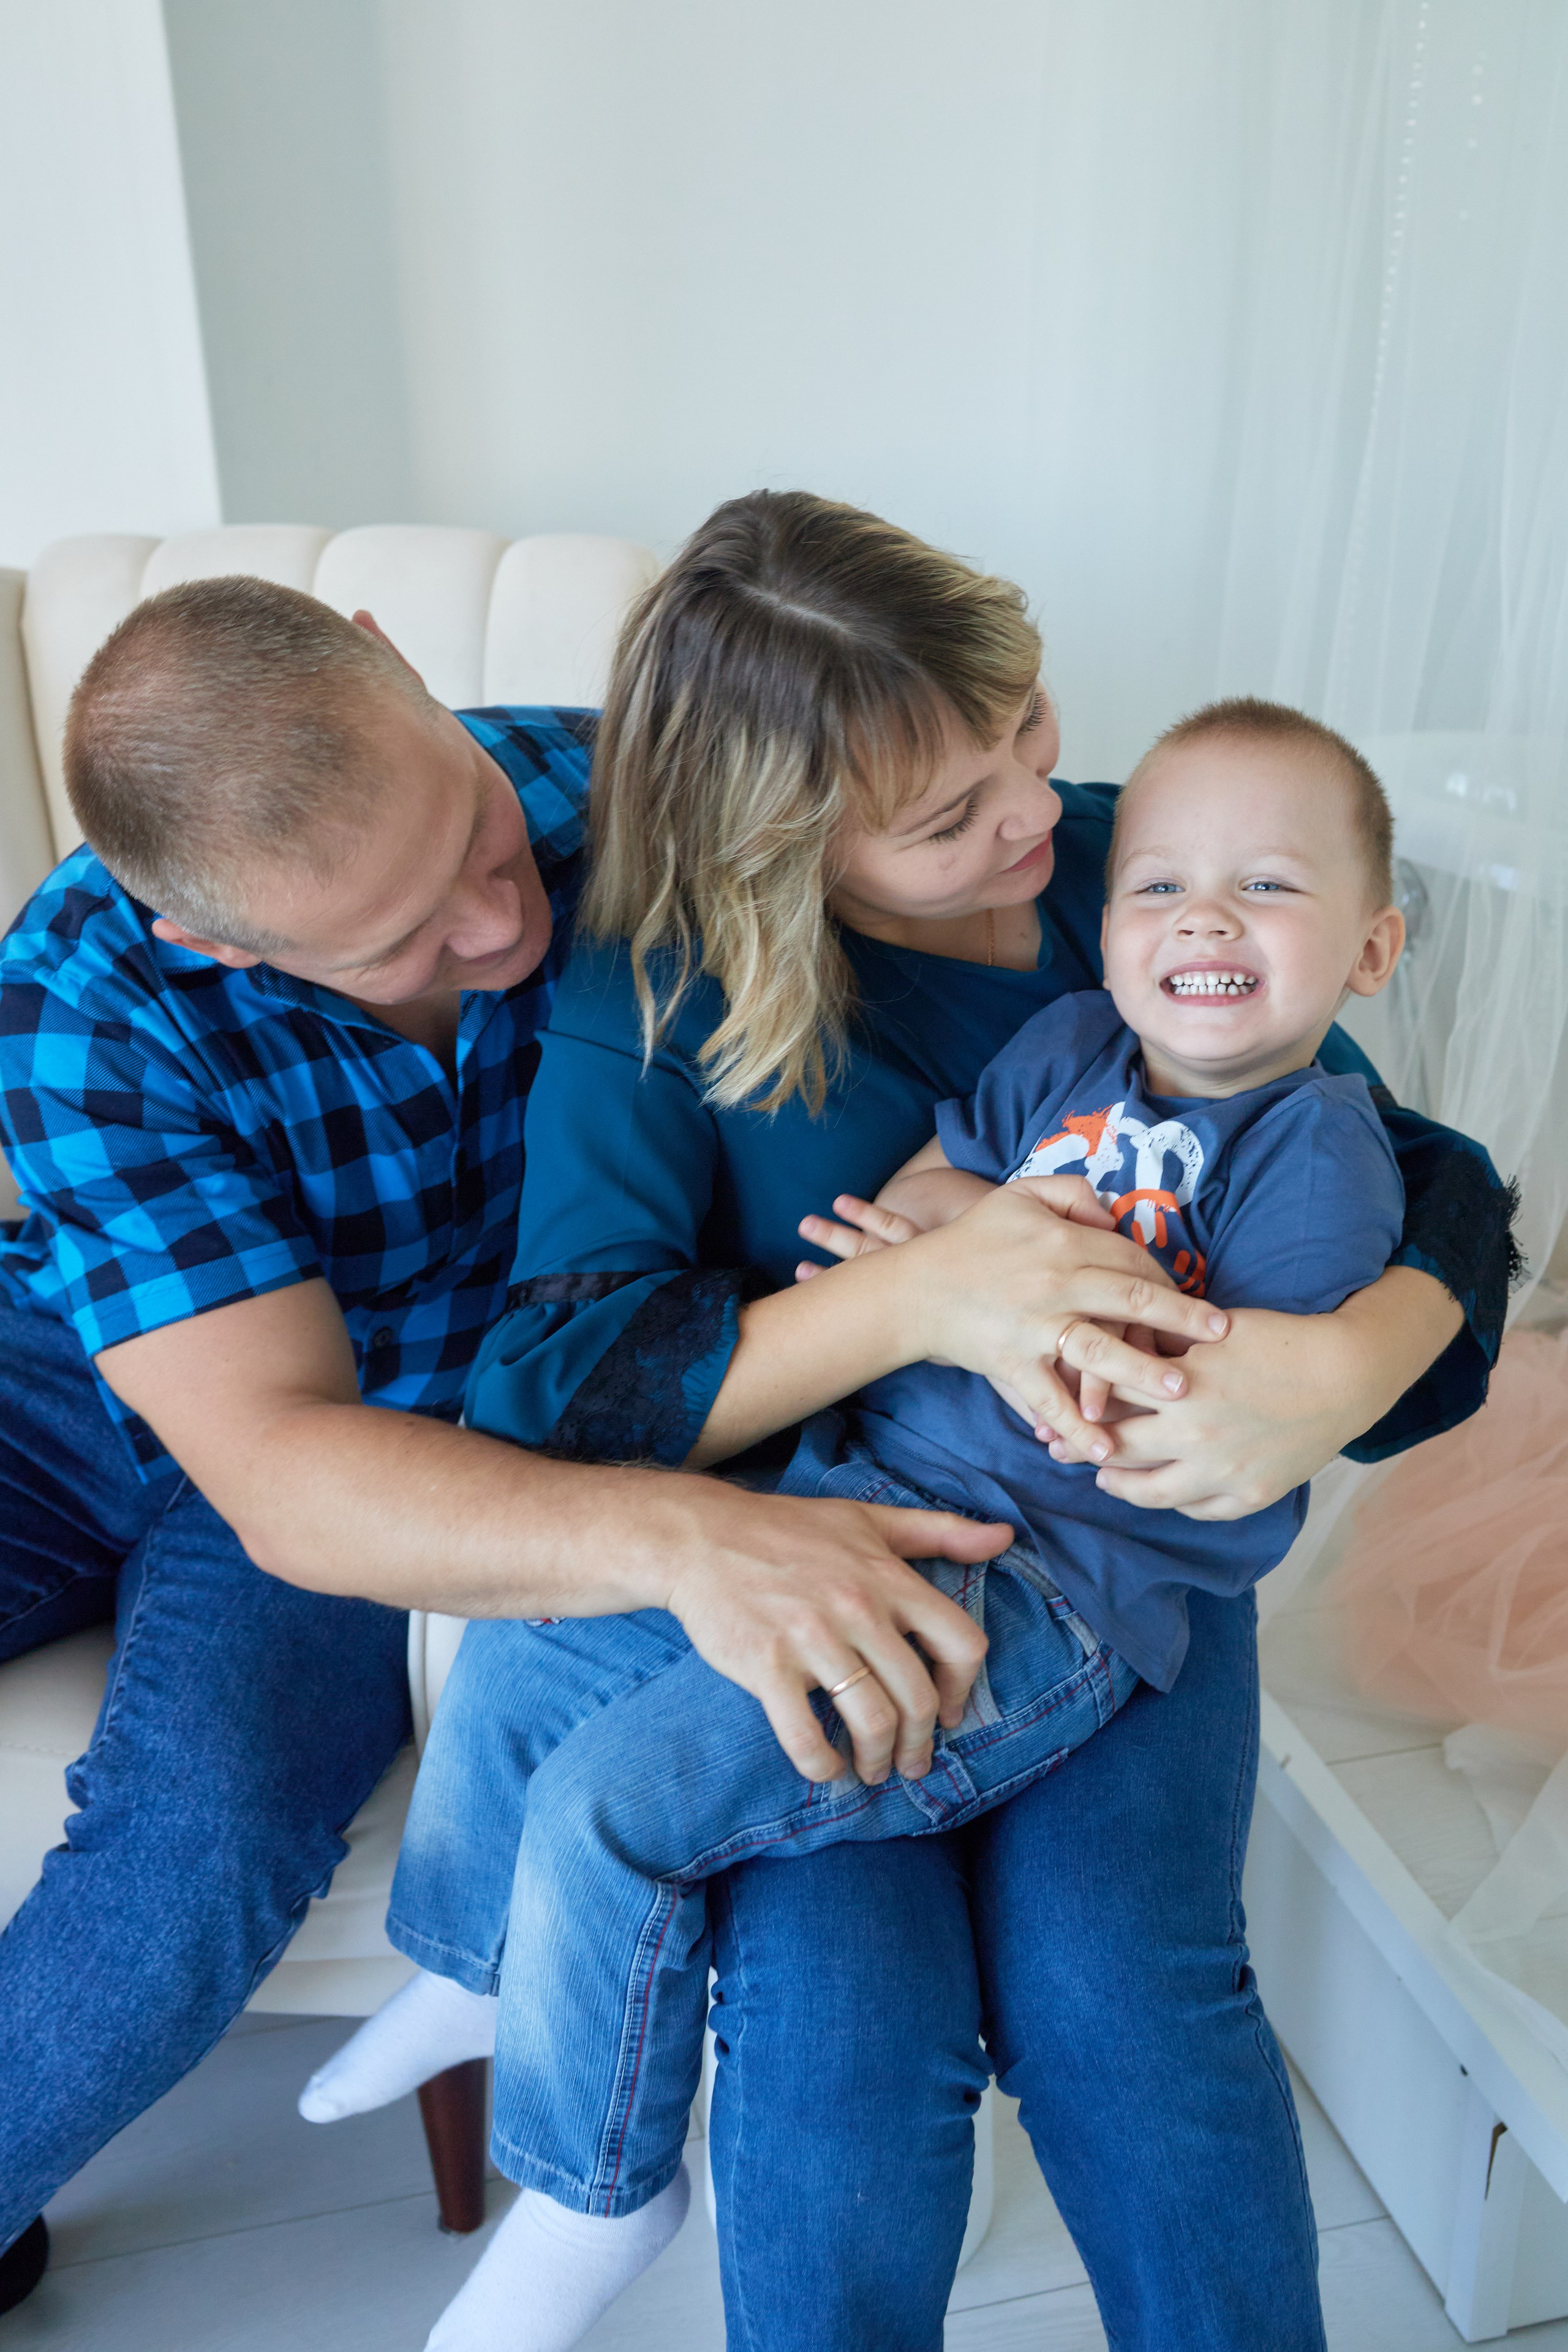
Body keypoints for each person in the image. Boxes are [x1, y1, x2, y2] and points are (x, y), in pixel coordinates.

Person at [312, 491, 1515, 2352]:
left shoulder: (1145, 874)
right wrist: (907, 1300)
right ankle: (547, 2096)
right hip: (830, 1539)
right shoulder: (657, 994)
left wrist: (1357, 1361)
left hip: (1114, 1555)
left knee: (1126, 1993)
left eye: (1024, 723)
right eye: (952, 815)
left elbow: (1406, 1170)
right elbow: (562, 1391)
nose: (1034, 810)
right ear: (780, 844)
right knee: (835, 2028)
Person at [0, 573, 1093, 2312]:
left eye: (486, 848)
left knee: (202, 1829)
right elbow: (268, 1447)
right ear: (217, 942)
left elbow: (969, 895)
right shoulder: (84, 992)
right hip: (98, 1378)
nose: (505, 932)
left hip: (422, 1438)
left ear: (389, 648)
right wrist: (675, 1537)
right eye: (403, 940)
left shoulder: (658, 803)